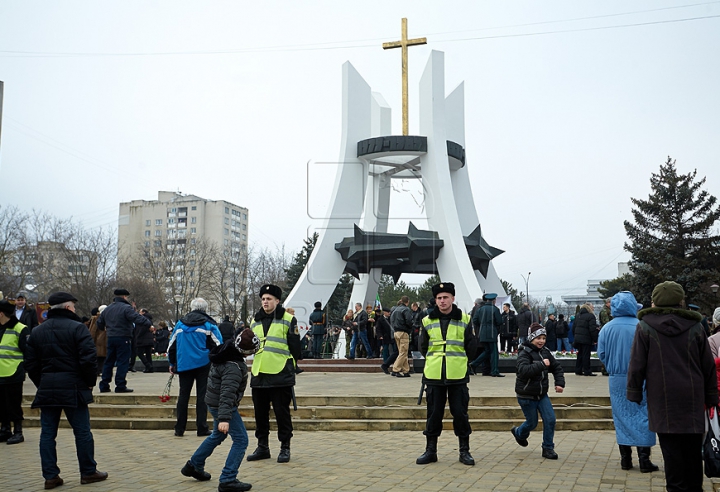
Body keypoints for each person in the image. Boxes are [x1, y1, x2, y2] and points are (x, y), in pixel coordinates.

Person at [627, 281, 718, 492]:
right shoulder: (696, 326)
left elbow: (636, 364)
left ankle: (675, 487)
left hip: (662, 398)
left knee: (671, 452)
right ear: (681, 301)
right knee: (693, 452)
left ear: (655, 301)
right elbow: (708, 366)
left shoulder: (645, 327)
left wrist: (633, 392)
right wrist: (712, 395)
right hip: (693, 397)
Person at [25, 292, 108, 489]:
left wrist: (42, 382)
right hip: (74, 388)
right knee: (82, 432)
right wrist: (89, 383)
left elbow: (31, 364)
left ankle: (50, 476)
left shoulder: (37, 331)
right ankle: (88, 472)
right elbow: (88, 360)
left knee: (47, 434)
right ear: (68, 308)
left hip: (48, 388)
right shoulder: (78, 329)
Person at [181, 329, 260, 492]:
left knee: (217, 435)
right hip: (223, 406)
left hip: (214, 402)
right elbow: (227, 393)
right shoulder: (234, 367)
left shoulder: (226, 352)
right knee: (241, 439)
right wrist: (224, 418)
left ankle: (193, 465)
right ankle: (228, 479)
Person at [416, 282, 478, 466]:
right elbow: (422, 346)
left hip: (457, 375)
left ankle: (464, 451)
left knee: (460, 413)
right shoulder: (427, 320)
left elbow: (471, 346)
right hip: (434, 375)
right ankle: (430, 451)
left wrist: (461, 363)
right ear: (435, 300)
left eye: (445, 297)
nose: (442, 301)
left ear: (452, 298)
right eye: (439, 298)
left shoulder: (465, 319)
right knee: (433, 414)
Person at [597, 291, 658, 473]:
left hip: (616, 379)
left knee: (621, 416)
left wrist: (611, 367)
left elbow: (602, 354)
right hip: (642, 378)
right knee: (643, 415)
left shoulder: (607, 328)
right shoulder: (642, 326)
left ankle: (626, 459)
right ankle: (644, 459)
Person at [247, 284, 301, 463]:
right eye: (263, 299)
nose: (265, 302)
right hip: (259, 373)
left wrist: (292, 367)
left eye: (269, 299)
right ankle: (262, 447)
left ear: (277, 301)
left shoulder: (288, 319)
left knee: (281, 414)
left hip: (280, 372)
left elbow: (295, 347)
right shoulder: (254, 320)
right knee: (260, 414)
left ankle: (285, 447)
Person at [169, 297, 223, 437]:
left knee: (183, 395)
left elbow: (171, 346)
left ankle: (179, 428)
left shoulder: (180, 324)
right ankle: (202, 427)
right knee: (202, 396)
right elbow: (219, 345)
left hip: (184, 364)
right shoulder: (209, 325)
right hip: (204, 364)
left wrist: (171, 363)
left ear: (191, 308)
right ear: (205, 309)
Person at [510, 323, 565, 460]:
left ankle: (548, 448)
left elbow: (556, 367)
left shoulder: (545, 352)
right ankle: (519, 433)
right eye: (538, 338)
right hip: (526, 395)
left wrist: (559, 383)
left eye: (543, 338)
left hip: (541, 395)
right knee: (532, 423)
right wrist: (541, 365)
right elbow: (523, 371)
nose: (541, 341)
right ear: (531, 338)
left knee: (550, 419)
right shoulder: (524, 352)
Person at [96, 288, 152, 393]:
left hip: (111, 337)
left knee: (109, 361)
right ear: (125, 297)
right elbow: (136, 318)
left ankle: (104, 385)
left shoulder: (108, 309)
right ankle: (120, 385)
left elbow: (99, 323)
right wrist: (148, 323)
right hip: (123, 337)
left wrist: (107, 327)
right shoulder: (126, 308)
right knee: (123, 361)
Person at [0, 300, 31, 445]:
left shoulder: (20, 329)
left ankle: (18, 432)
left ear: (1, 314)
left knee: (14, 405)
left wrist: (23, 368)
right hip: (1, 374)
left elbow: (28, 352)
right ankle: (5, 430)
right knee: (1, 405)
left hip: (13, 374)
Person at [470, 293, 504, 377]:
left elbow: (474, 320)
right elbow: (499, 321)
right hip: (492, 333)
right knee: (494, 352)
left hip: (482, 333)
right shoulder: (495, 309)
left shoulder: (480, 309)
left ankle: (473, 364)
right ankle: (494, 371)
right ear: (494, 301)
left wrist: (482, 325)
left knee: (487, 351)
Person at [390, 296, 413, 377]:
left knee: (402, 352)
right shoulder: (406, 309)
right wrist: (410, 329)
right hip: (403, 332)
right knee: (403, 352)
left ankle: (406, 370)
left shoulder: (395, 310)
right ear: (408, 301)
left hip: (396, 332)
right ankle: (395, 369)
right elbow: (409, 321)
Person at [573, 303, 598, 376]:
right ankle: (587, 371)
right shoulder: (591, 316)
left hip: (578, 338)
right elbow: (592, 329)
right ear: (589, 308)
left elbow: (574, 327)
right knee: (586, 355)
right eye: (592, 307)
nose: (593, 308)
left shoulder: (578, 316)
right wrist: (595, 339)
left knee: (580, 354)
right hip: (586, 338)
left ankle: (578, 370)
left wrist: (576, 336)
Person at [88, 306, 107, 375]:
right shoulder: (97, 318)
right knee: (100, 356)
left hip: (100, 339)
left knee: (100, 357)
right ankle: (100, 370)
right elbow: (93, 330)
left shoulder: (98, 318)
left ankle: (100, 370)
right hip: (101, 339)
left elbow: (92, 331)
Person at [135, 309, 156, 373]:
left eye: (140, 312)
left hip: (143, 338)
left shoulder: (143, 319)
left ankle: (148, 365)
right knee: (148, 353)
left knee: (139, 353)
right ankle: (149, 368)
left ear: (143, 312)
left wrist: (138, 335)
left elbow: (142, 329)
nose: (139, 313)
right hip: (149, 338)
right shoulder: (150, 319)